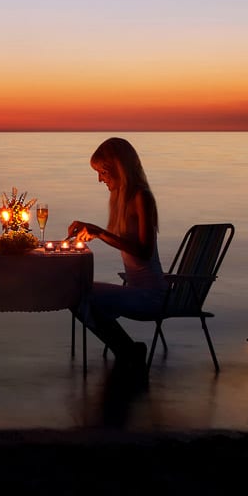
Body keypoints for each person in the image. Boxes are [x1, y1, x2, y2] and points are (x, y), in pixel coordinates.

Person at [67, 137, 167, 380]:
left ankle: (128, 351)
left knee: (76, 294)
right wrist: (98, 233)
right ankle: (128, 350)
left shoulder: (141, 197)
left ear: (118, 168)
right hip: (135, 289)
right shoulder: (124, 199)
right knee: (73, 292)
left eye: (103, 171)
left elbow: (143, 250)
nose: (100, 179)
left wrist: (100, 233)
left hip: (151, 296)